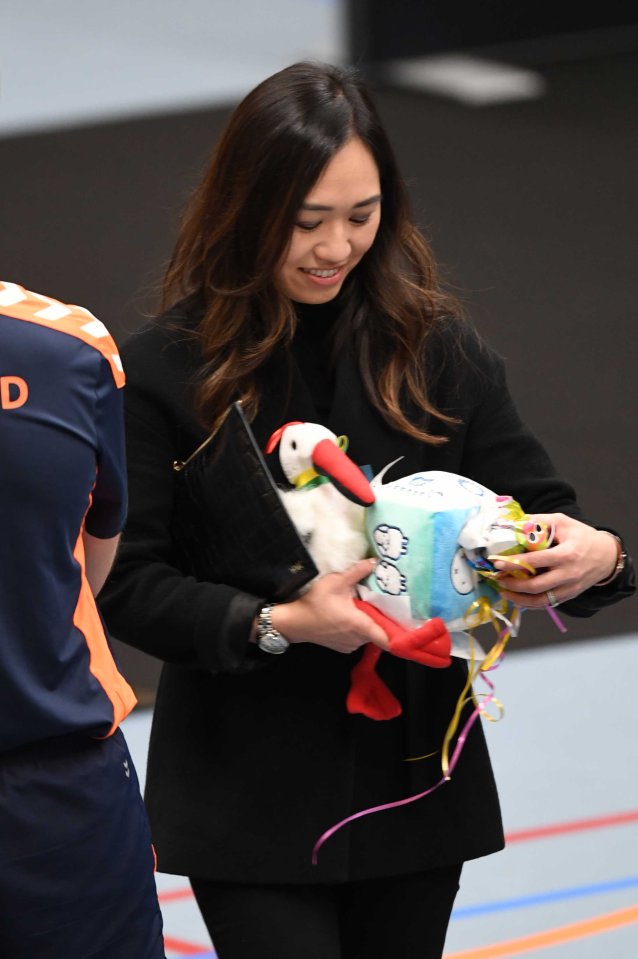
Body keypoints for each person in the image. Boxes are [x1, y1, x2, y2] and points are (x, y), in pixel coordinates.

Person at [98, 62, 635, 959]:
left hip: (414, 781)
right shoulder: (159, 371)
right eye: (306, 222)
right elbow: (131, 584)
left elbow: (545, 514)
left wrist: (597, 556)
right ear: (244, 209)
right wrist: (279, 622)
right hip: (248, 794)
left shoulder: (437, 348)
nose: (336, 247)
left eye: (362, 214)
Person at [0, 281, 166, 959]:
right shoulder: (64, 342)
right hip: (56, 775)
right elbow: (88, 569)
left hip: (58, 792)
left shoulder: (69, 346)